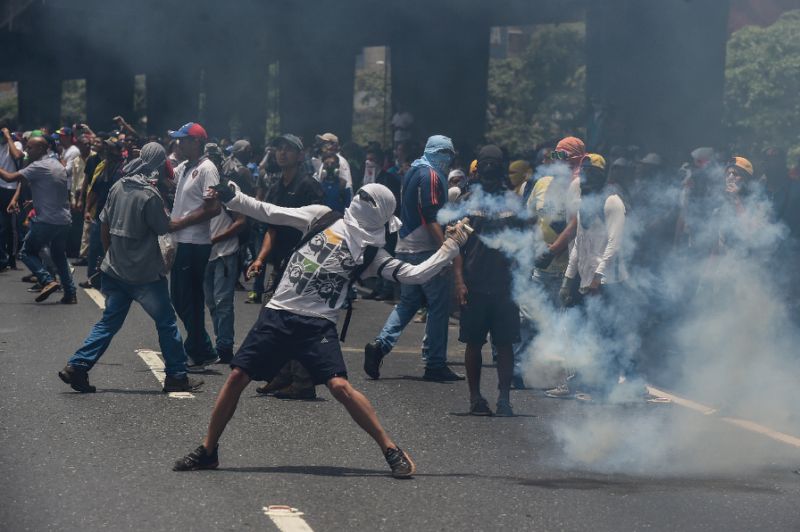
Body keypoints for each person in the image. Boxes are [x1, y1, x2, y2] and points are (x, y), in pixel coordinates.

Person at [173, 181, 471, 478]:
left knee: (340, 387)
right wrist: (233, 197)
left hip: (317, 325)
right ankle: (208, 451)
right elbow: (269, 211)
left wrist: (449, 247)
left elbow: (414, 275)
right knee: (237, 376)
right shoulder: (322, 217)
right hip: (278, 314)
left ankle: (390, 449)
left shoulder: (371, 254)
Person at [58, 143, 203, 393]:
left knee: (107, 324)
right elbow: (164, 228)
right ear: (158, 164)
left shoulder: (119, 186)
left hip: (115, 270)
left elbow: (104, 225)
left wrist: (109, 255)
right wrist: (199, 216)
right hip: (145, 275)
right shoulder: (150, 195)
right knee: (167, 323)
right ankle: (178, 376)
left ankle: (78, 366)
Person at [364, 135, 464, 382]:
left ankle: (380, 345)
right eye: (446, 154)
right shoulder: (430, 175)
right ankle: (435, 363)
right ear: (438, 152)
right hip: (425, 248)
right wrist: (446, 250)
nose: (449, 160)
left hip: (405, 246)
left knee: (408, 303)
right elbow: (430, 215)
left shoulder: (412, 171)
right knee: (438, 307)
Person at [550, 154, 633, 401]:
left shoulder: (613, 202)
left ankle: (605, 388)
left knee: (604, 335)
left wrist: (599, 275)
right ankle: (586, 382)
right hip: (587, 280)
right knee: (587, 332)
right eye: (584, 171)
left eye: (592, 172)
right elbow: (579, 243)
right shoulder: (584, 202)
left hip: (609, 282)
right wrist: (568, 279)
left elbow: (615, 243)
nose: (586, 176)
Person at [248, 134, 324, 399]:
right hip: (281, 264)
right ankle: (281, 375)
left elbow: (321, 228)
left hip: (304, 265)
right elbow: (272, 228)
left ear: (300, 156)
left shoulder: (309, 186)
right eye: (279, 149)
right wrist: (260, 259)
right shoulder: (276, 187)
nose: (282, 153)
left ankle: (302, 382)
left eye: (289, 150)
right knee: (273, 319)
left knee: (295, 322)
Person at [453, 145, 525, 416]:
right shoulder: (466, 201)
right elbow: (456, 247)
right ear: (479, 167)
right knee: (474, 343)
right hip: (474, 284)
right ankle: (475, 398)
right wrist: (459, 282)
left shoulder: (515, 202)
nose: (491, 169)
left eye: (495, 164)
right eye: (487, 164)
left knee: (505, 343)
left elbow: (524, 245)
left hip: (506, 286)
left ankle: (504, 398)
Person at [168, 122, 222, 371]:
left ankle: (202, 350)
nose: (178, 144)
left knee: (186, 299)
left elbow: (213, 208)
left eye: (183, 140)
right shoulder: (186, 166)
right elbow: (169, 179)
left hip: (194, 242)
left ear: (196, 142)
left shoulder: (207, 169)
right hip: (183, 241)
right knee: (184, 298)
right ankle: (201, 350)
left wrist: (181, 222)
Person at [0, 136, 76, 303]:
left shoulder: (38, 166)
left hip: (47, 221)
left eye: (30, 148)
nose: (27, 151)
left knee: (26, 252)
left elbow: (9, 178)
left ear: (42, 149)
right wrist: (35, 201)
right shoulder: (56, 164)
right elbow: (54, 189)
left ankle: (47, 280)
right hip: (64, 220)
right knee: (59, 256)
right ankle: (70, 293)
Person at [204, 143, 246, 363]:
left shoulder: (229, 187)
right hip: (204, 253)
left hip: (225, 252)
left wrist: (215, 239)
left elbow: (240, 221)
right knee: (210, 302)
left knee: (223, 302)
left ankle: (225, 347)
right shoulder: (199, 185)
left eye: (214, 159)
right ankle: (219, 341)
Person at [82, 136, 125, 289]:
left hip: (117, 216)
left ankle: (112, 279)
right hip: (100, 214)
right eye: (106, 147)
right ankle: (93, 278)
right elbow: (95, 189)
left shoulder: (124, 168)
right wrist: (87, 208)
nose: (107, 149)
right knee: (95, 247)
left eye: (110, 147)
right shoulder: (103, 166)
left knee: (112, 249)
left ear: (118, 150)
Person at [0, 125, 23, 271]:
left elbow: (17, 156)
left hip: (11, 189)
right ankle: (2, 258)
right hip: (0, 187)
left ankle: (12, 257)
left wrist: (8, 136)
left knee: (9, 227)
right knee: (1, 226)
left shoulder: (15, 143)